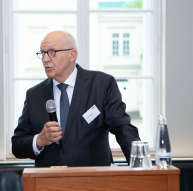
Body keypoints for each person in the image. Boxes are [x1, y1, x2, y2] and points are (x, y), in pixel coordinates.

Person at [11, 31, 140, 167]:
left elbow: (122, 128)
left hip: (93, 180)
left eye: (52, 52)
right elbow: (17, 145)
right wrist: (39, 140)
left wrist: (139, 163)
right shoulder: (34, 94)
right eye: (42, 53)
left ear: (72, 55)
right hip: (49, 183)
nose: (45, 59)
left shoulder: (101, 84)